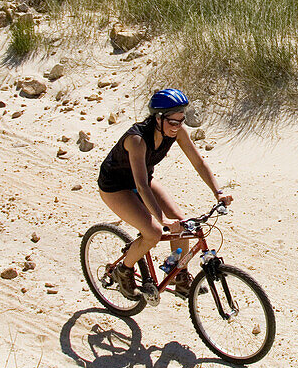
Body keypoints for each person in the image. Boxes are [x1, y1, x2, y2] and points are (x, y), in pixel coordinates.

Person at [97, 88, 231, 299]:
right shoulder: (137, 140)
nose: (178, 127)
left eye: (181, 120)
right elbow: (141, 186)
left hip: (143, 179)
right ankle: (124, 270)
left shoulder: (177, 131)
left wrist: (218, 191)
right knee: (154, 232)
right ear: (158, 118)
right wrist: (161, 219)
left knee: (182, 223)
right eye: (173, 122)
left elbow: (198, 161)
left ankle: (179, 276)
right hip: (116, 186)